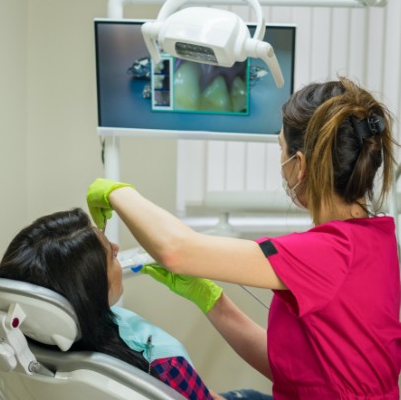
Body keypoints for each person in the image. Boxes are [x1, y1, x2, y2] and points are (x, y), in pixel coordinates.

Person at [86, 76, 401, 399]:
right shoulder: (376, 240)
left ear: (300, 164)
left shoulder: (326, 253)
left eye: (281, 148)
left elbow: (175, 250)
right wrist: (210, 299)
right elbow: (296, 370)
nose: (281, 161)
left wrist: (117, 192)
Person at [0, 208, 222, 400]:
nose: (116, 246)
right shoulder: (163, 361)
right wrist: (215, 303)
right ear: (91, 290)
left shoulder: (21, 345)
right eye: (108, 254)